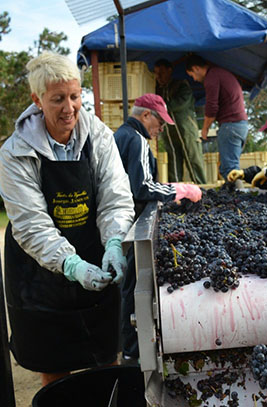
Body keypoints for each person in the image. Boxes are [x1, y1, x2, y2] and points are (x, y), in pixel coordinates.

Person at [0, 52, 135, 387]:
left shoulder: (99, 136)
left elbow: (114, 196)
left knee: (105, 356)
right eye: (57, 99)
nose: (69, 108)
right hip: (38, 272)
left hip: (95, 253)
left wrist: (115, 242)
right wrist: (71, 265)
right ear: (37, 100)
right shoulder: (15, 152)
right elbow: (32, 225)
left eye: (75, 97)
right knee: (55, 365)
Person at [113, 93, 202, 363]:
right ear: (145, 115)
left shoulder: (120, 135)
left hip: (118, 222)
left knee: (123, 288)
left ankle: (125, 347)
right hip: (129, 222)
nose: (160, 129)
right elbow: (141, 187)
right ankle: (132, 351)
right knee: (132, 289)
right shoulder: (137, 139)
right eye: (159, 122)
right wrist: (178, 190)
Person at [184, 54, 249, 179]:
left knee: (230, 170)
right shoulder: (220, 73)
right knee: (228, 167)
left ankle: (238, 196)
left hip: (231, 125)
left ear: (196, 68)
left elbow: (212, 106)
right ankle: (233, 195)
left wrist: (205, 129)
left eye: (192, 75)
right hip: (240, 125)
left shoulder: (211, 77)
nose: (195, 79)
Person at [154, 58, 208, 184]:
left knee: (193, 159)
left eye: (161, 72)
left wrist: (161, 107)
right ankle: (176, 193)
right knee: (173, 160)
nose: (158, 76)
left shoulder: (181, 84)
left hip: (186, 129)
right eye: (156, 73)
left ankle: (203, 190)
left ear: (169, 70)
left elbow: (181, 103)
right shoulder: (157, 89)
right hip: (168, 132)